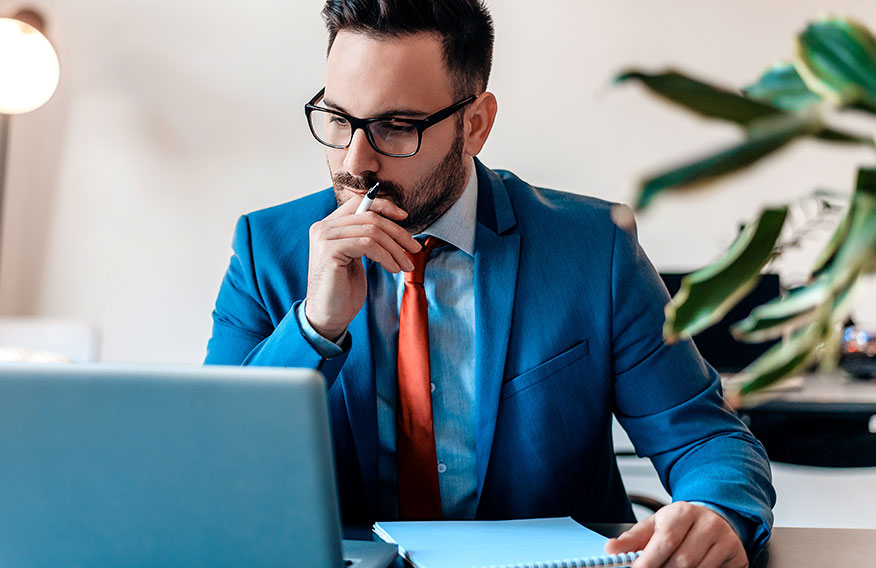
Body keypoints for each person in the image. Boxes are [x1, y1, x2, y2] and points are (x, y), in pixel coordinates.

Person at [204, 1, 775, 566]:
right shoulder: (267, 250)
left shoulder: (594, 249)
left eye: (395, 127)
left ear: (473, 125)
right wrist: (315, 327)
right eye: (337, 119)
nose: (356, 160)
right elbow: (212, 462)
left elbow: (705, 438)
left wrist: (718, 511)